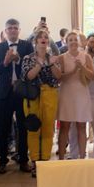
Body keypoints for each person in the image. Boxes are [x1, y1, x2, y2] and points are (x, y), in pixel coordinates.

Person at [0, 18, 33, 174]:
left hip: (22, 93)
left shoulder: (27, 46)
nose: (13, 30)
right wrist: (6, 62)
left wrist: (19, 60)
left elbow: (32, 68)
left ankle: (23, 160)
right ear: (5, 31)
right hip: (3, 94)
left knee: (23, 128)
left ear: (19, 30)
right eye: (10, 28)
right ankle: (2, 160)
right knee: (2, 129)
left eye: (15, 28)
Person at [21, 29, 61, 176]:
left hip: (50, 95)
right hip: (33, 96)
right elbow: (28, 77)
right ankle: (34, 162)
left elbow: (58, 77)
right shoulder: (28, 58)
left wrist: (51, 64)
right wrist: (40, 64)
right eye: (40, 37)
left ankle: (44, 160)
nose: (43, 39)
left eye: (46, 37)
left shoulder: (53, 57)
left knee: (48, 128)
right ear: (35, 41)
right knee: (33, 128)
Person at [56, 31, 94, 160]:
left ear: (79, 42)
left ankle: (82, 157)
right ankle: (61, 157)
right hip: (67, 93)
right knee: (64, 127)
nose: (73, 42)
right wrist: (73, 71)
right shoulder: (62, 58)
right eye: (70, 39)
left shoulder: (86, 56)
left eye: (75, 39)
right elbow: (59, 78)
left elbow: (92, 76)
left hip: (82, 93)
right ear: (66, 42)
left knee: (82, 126)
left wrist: (81, 68)